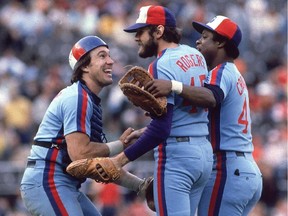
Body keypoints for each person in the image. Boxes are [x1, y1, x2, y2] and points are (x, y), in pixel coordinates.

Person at [100, 5, 213, 215]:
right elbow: (188, 111)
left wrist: (120, 160)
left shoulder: (160, 64)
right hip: (203, 154)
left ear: (159, 31)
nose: (136, 38)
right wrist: (145, 131)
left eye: (141, 31)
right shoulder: (195, 54)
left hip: (177, 157)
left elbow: (162, 129)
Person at [145, 16, 263, 216]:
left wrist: (173, 86)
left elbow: (211, 98)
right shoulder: (233, 73)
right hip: (243, 168)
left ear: (220, 42)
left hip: (227, 168)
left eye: (206, 37)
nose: (198, 41)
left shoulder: (221, 71)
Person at [20, 35, 149, 216]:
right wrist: (120, 145)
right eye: (102, 56)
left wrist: (139, 186)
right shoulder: (78, 98)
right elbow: (79, 153)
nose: (111, 61)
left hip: (64, 184)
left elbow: (98, 167)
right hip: (48, 182)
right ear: (85, 66)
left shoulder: (87, 98)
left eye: (109, 56)